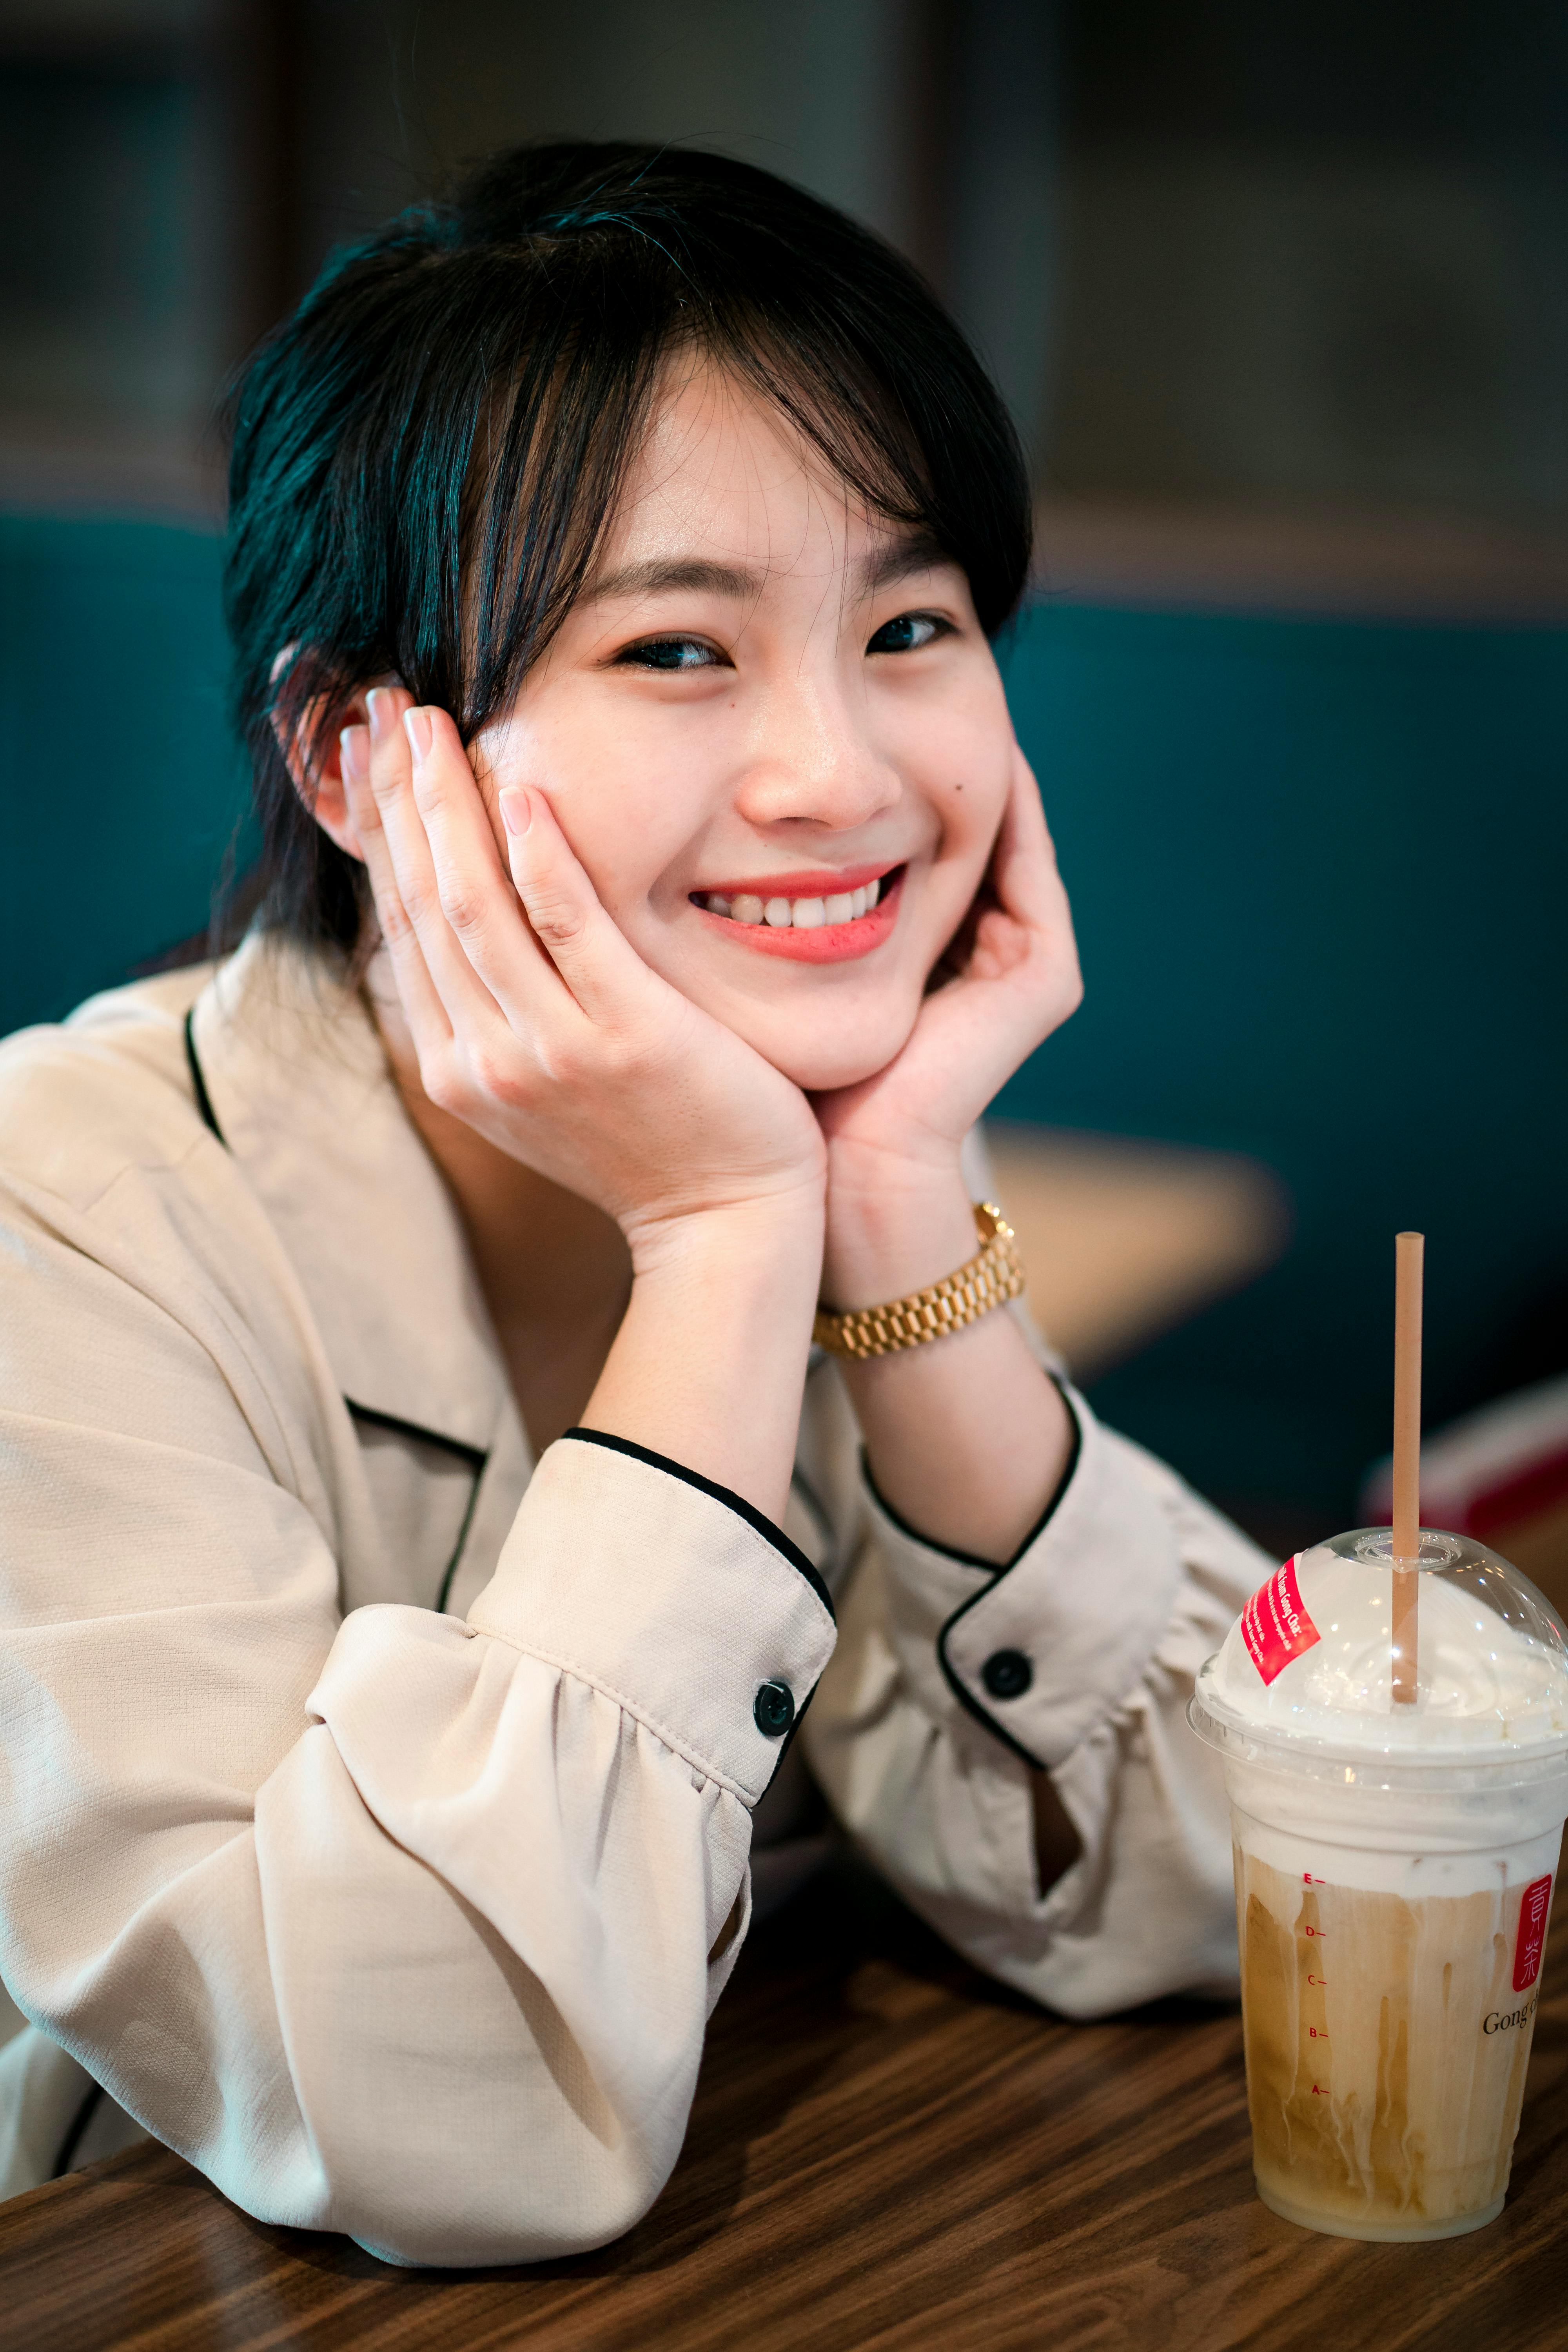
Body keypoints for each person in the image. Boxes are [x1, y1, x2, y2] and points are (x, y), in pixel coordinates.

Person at [0, 143, 1264, 2263]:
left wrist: (893, 1214)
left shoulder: (816, 1145)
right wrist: (719, 1247)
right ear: (352, 760)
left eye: (914, 623)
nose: (840, 773)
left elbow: (1232, 1884)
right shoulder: (57, 1215)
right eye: (680, 650)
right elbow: (448, 2128)